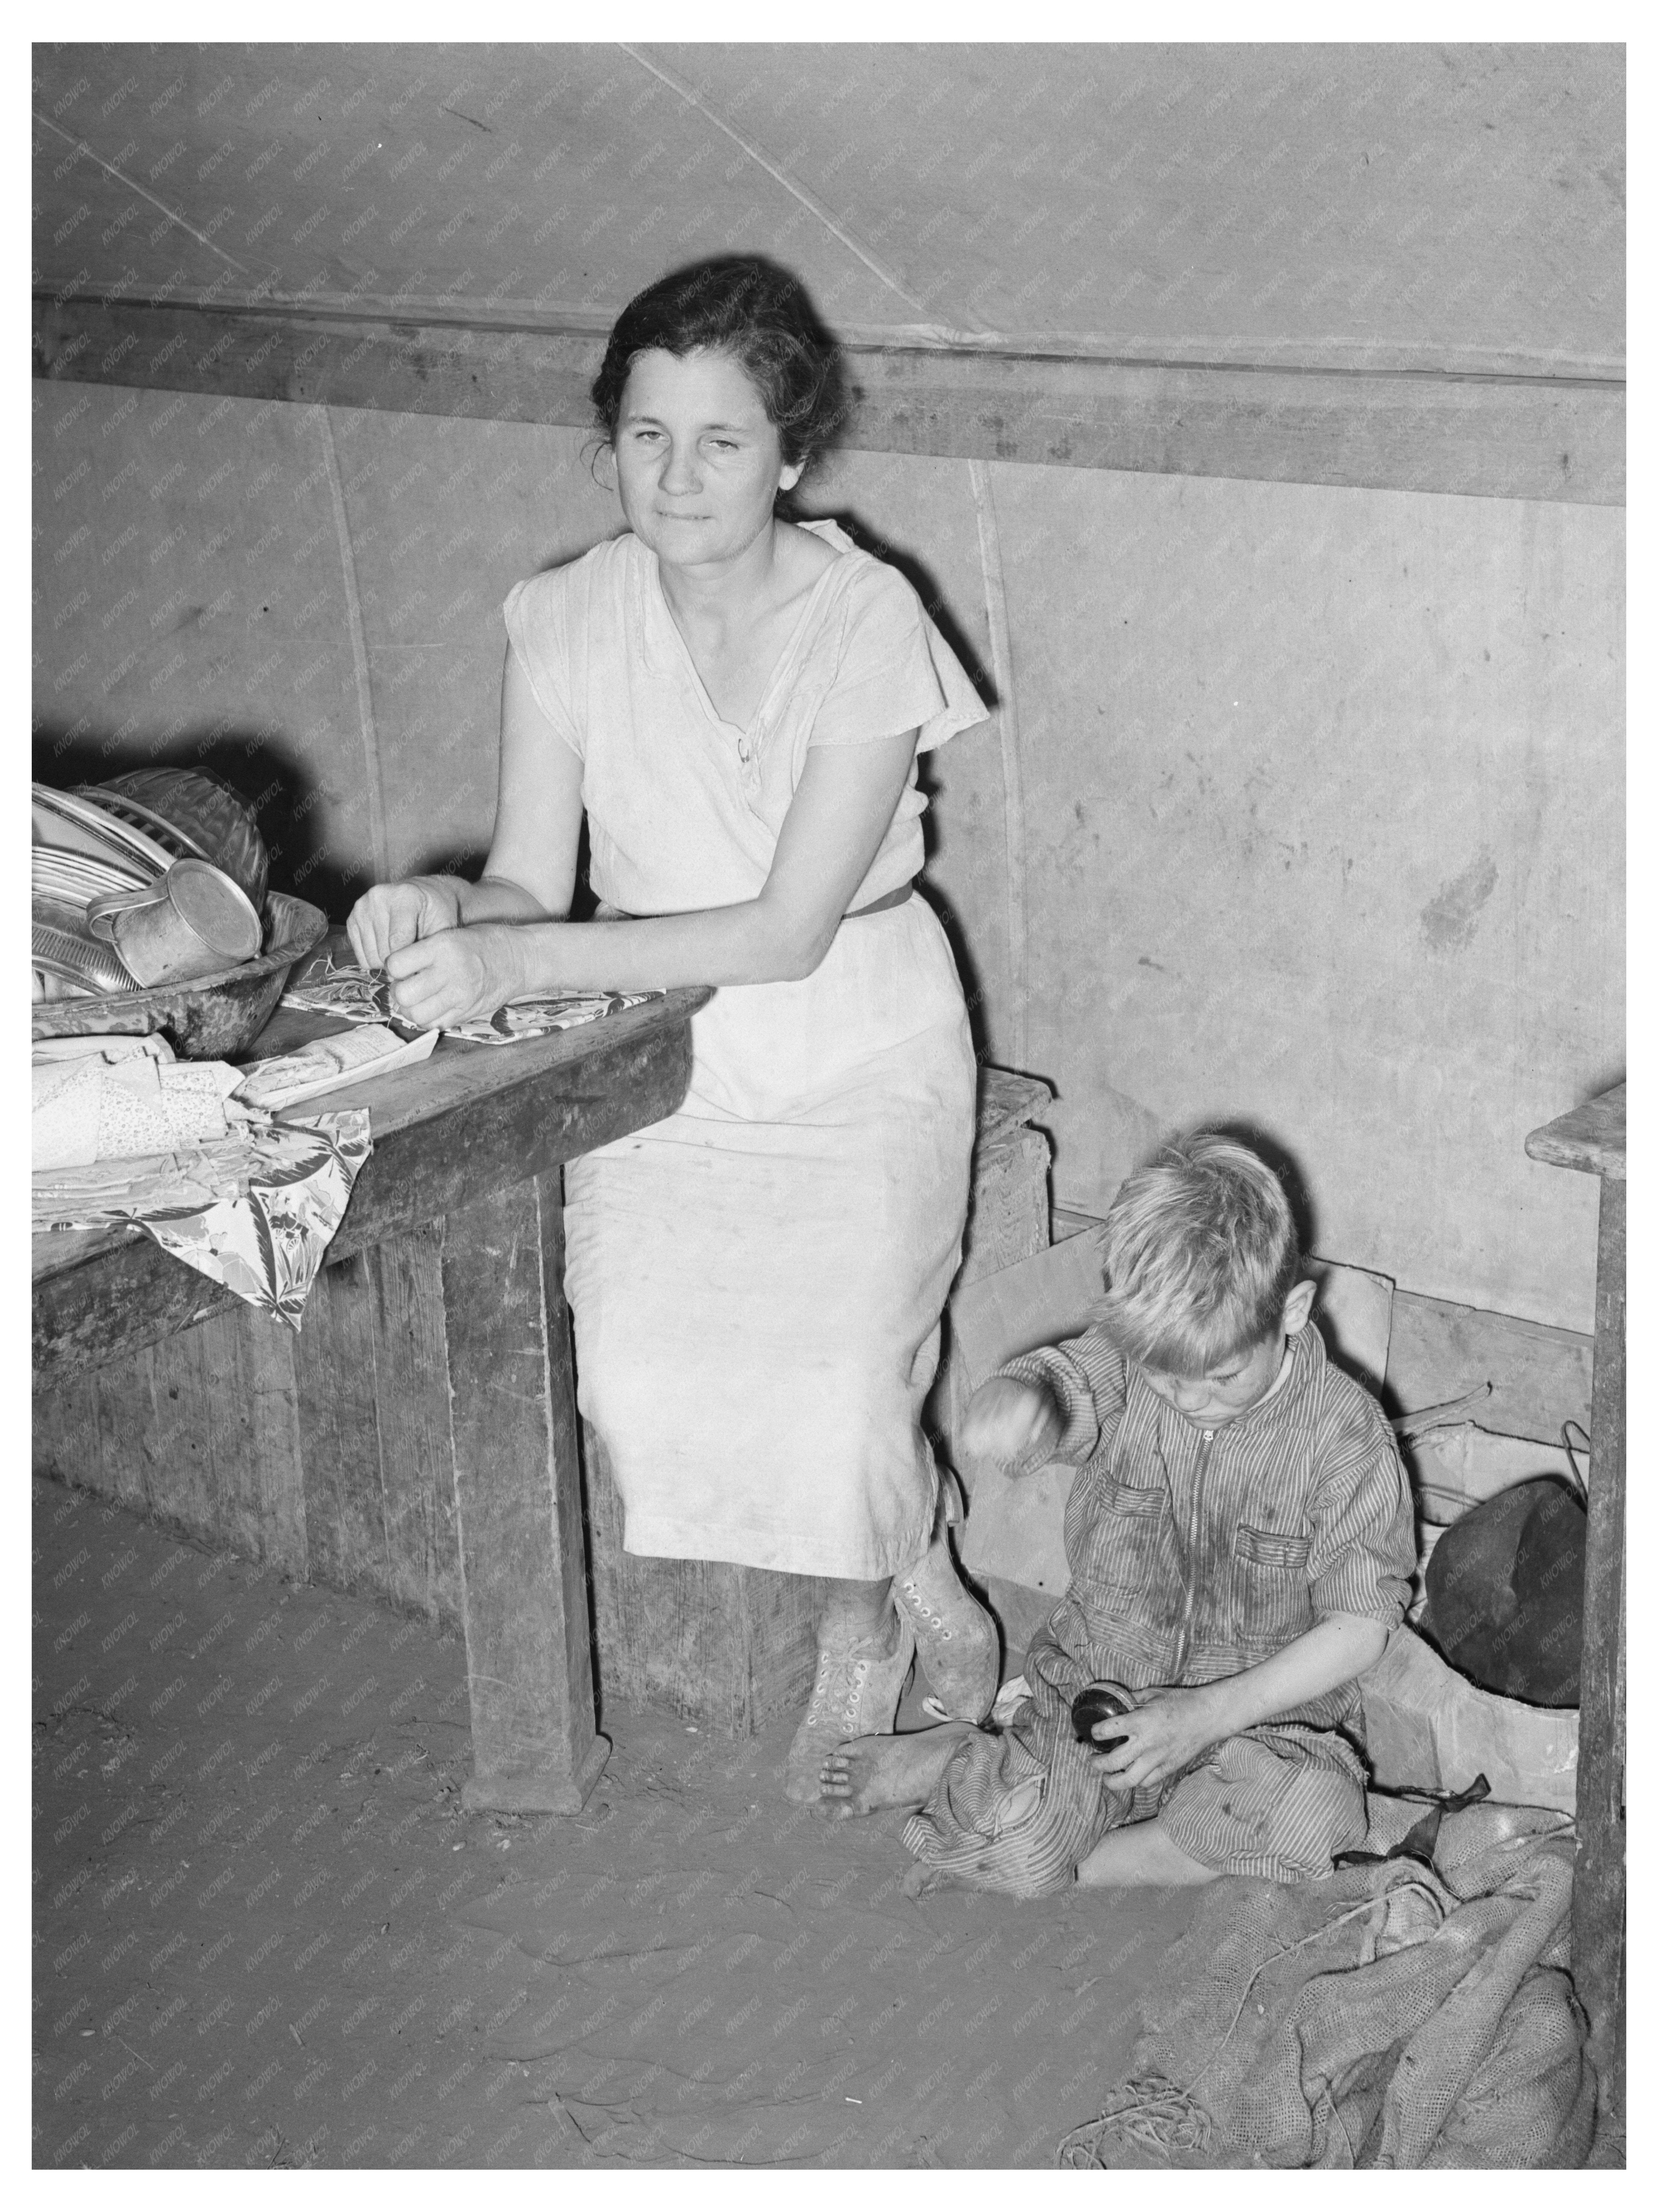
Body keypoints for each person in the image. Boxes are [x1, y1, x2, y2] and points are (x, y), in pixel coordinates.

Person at [346, 254, 1000, 1799]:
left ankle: (884, 1612)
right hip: (657, 1062)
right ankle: (905, 1556)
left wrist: (517, 966)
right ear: (609, 445)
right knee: (636, 1392)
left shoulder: (865, 619)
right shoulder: (562, 618)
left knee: (845, 1396)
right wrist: (441, 909)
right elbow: (522, 878)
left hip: (852, 1041)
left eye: (721, 441)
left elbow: (781, 932)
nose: (680, 475)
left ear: (788, 452)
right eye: (647, 437)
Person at [815, 1132, 1417, 1896]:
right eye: (1166, 1377)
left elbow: (1361, 1626)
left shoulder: (1345, 1435)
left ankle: (1067, 1854)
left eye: (1222, 1375)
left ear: (1291, 1311)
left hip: (1255, 1725)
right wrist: (1024, 1403)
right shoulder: (1131, 1364)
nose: (1191, 1400)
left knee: (1314, 1818)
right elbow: (1068, 1383)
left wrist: (1205, 1716)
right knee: (1017, 1849)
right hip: (1097, 1696)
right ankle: (981, 1769)